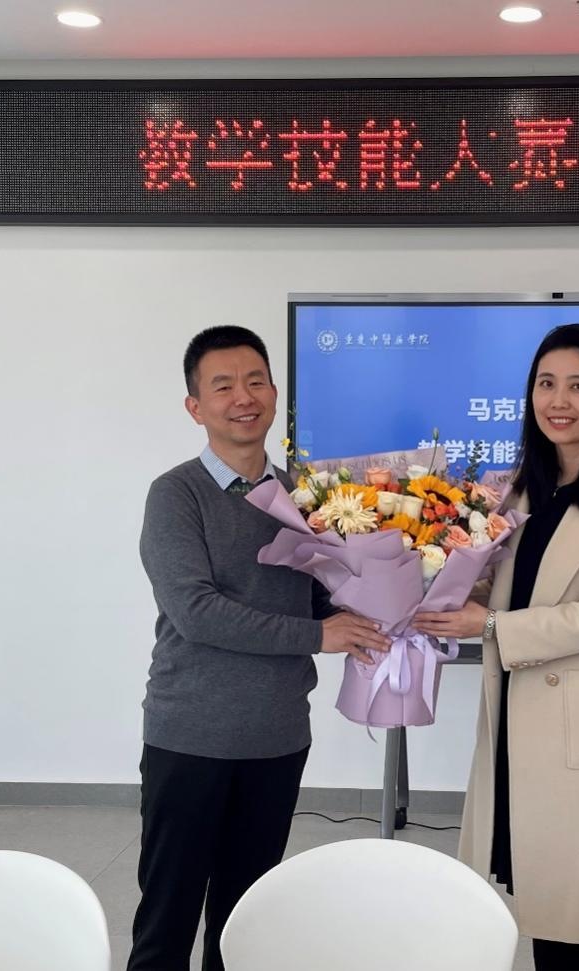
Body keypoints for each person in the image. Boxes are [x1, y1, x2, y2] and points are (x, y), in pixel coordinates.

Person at [129, 325, 389, 971]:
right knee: (166, 920)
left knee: (244, 922)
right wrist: (318, 635)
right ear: (195, 407)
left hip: (277, 735)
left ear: (274, 394)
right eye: (223, 386)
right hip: (191, 735)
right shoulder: (176, 494)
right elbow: (196, 612)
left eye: (255, 382)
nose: (243, 397)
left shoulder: (307, 495)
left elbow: (312, 597)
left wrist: (375, 613)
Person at [416, 323, 579, 971]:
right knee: (543, 906)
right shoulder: (512, 489)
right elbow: (484, 581)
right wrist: (423, 564)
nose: (558, 400)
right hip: (516, 718)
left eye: (578, 386)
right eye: (545, 383)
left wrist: (492, 628)